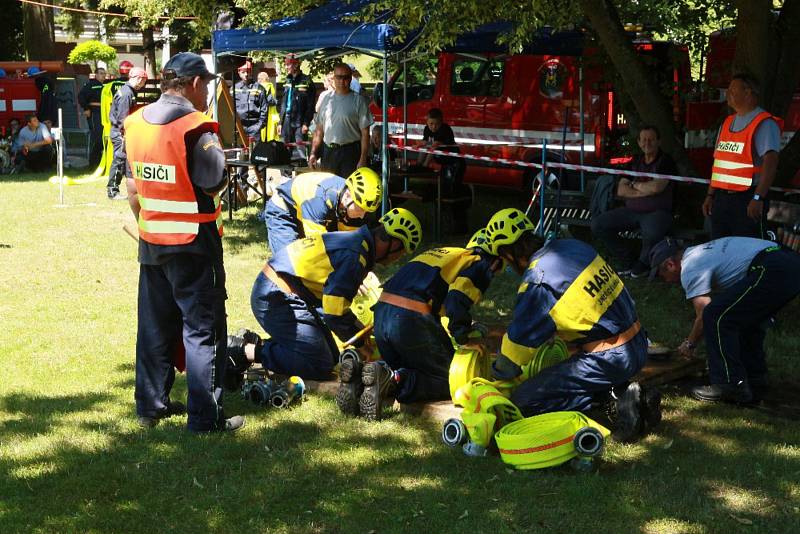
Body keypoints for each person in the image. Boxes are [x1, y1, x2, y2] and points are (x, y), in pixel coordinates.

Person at [124, 52, 243, 433]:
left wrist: (146, 224)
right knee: (202, 328)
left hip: (152, 239)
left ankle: (150, 406)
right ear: (192, 83)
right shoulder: (196, 126)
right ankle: (205, 418)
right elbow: (213, 181)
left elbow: (131, 188)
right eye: (205, 83)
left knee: (155, 326)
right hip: (194, 242)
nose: (207, 89)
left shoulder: (135, 123)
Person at [485, 208, 661, 442]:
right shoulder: (572, 247)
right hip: (637, 344)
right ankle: (626, 394)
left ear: (508, 253)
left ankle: (616, 401)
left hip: (609, 358)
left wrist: (494, 375)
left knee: (525, 401)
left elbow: (516, 349)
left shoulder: (539, 280)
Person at [227, 208, 422, 385]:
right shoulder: (355, 256)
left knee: (332, 357)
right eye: (402, 252)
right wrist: (362, 344)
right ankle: (243, 351)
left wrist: (358, 333)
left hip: (287, 293)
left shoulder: (359, 245)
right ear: (394, 242)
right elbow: (334, 313)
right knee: (319, 363)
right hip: (274, 296)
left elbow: (334, 306)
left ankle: (257, 342)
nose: (398, 258)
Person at [344, 229, 502, 420]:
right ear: (496, 259)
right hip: (409, 317)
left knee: (406, 365)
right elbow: (457, 299)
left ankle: (362, 375)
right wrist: (463, 336)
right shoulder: (480, 263)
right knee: (449, 379)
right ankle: (392, 380)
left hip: (383, 314)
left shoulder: (445, 253)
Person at [649, 237, 800, 405]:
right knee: (741, 318)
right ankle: (755, 378)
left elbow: (704, 316)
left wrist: (689, 344)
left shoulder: (689, 267)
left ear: (671, 264)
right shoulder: (700, 252)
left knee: (716, 316)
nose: (665, 280)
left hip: (773, 267)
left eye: (662, 275)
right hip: (788, 260)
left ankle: (728, 385)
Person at [702, 73, 782, 240]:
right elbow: (719, 164)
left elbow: (770, 164)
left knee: (746, 252)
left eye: (732, 90)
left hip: (747, 199)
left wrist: (758, 197)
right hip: (722, 199)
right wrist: (710, 195)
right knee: (719, 248)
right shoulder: (727, 123)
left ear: (748, 92)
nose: (727, 94)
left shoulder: (764, 123)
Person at [591, 125, 678, 277]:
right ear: (638, 142)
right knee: (598, 224)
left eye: (651, 139)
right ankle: (628, 260)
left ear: (659, 141)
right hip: (631, 210)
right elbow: (620, 189)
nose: (647, 143)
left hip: (658, 212)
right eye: (643, 139)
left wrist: (634, 185)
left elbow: (657, 187)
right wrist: (644, 192)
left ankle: (643, 265)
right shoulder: (635, 161)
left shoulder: (666, 161)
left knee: (651, 233)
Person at [263, 166, 382, 254]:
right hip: (283, 209)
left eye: (366, 211)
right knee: (289, 262)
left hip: (308, 212)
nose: (362, 216)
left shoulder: (352, 204)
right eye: (360, 209)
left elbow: (349, 244)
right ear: (347, 196)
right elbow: (317, 249)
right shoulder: (320, 199)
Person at [309, 63, 373, 178]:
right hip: (328, 152)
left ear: (350, 78)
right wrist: (313, 153)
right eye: (338, 77)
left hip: (350, 153)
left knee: (348, 191)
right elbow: (319, 131)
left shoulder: (359, 101)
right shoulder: (326, 100)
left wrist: (363, 158)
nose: (342, 81)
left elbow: (365, 134)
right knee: (328, 190)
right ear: (333, 78)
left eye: (346, 77)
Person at [422, 108, 470, 234]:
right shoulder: (426, 129)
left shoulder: (445, 130)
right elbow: (425, 144)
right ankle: (446, 223)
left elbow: (433, 148)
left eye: (436, 124)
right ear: (427, 122)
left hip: (456, 164)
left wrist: (424, 167)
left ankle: (458, 225)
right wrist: (419, 148)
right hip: (445, 165)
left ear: (441, 122)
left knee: (453, 193)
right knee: (442, 193)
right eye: (431, 124)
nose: (433, 127)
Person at [107, 66, 148, 199]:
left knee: (123, 160)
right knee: (119, 160)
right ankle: (112, 191)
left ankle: (120, 188)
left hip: (120, 131)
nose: (143, 85)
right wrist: (125, 134)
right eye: (143, 81)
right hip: (120, 133)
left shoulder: (127, 91)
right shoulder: (127, 94)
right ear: (139, 79)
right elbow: (123, 118)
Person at [278, 54, 316, 162]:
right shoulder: (287, 80)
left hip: (300, 121)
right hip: (287, 120)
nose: (286, 67)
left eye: (288, 65)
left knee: (300, 148)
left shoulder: (307, 81)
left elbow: (310, 105)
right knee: (285, 148)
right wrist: (281, 122)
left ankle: (302, 171)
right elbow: (283, 103)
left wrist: (306, 123)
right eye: (285, 65)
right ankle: (286, 175)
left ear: (296, 65)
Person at [233, 63, 271, 142]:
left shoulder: (259, 88)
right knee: (239, 153)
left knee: (256, 153)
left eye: (248, 71)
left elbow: (265, 109)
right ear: (239, 72)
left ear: (251, 72)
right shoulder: (234, 89)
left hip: (254, 128)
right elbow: (228, 107)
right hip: (239, 127)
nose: (246, 74)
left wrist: (259, 126)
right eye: (243, 72)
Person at [78, 67, 107, 168]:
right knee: (97, 138)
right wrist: (86, 108)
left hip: (103, 114)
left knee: (102, 138)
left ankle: (99, 162)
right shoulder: (90, 85)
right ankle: (93, 163)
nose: (103, 75)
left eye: (104, 74)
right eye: (101, 73)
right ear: (96, 75)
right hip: (94, 113)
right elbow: (81, 96)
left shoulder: (104, 86)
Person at [256, 70, 280, 142]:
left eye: (258, 79)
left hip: (265, 115)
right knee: (270, 138)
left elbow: (268, 100)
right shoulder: (269, 86)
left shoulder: (262, 87)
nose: (257, 80)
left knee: (263, 138)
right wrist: (276, 102)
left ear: (261, 79)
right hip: (271, 116)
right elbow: (271, 101)